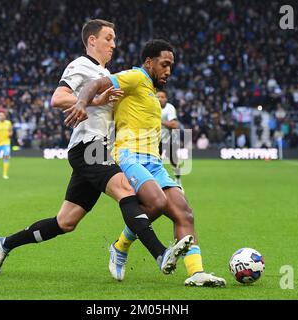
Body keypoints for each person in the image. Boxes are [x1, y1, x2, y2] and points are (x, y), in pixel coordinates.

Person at [0, 20, 193, 277]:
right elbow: (58, 97)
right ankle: (160, 254)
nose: (114, 44)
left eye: (115, 39)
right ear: (92, 40)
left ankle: (5, 243)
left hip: (100, 151)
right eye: (109, 38)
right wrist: (92, 100)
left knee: (66, 222)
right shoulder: (80, 65)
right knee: (126, 189)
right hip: (88, 147)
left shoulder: (107, 74)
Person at [65, 39, 226, 287]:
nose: (168, 71)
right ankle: (120, 247)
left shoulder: (151, 90)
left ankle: (196, 273)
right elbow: (96, 83)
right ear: (149, 62)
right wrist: (81, 102)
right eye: (164, 64)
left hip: (154, 161)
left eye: (171, 66)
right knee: (157, 202)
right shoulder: (135, 77)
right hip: (128, 155)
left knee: (184, 213)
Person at [157, 89, 182, 186]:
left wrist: (159, 121)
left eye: (162, 97)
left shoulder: (169, 108)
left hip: (169, 140)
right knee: (155, 161)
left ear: (166, 99)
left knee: (174, 161)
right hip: (156, 140)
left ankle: (178, 179)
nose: (159, 99)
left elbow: (174, 125)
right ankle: (157, 181)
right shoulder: (151, 107)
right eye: (157, 97)